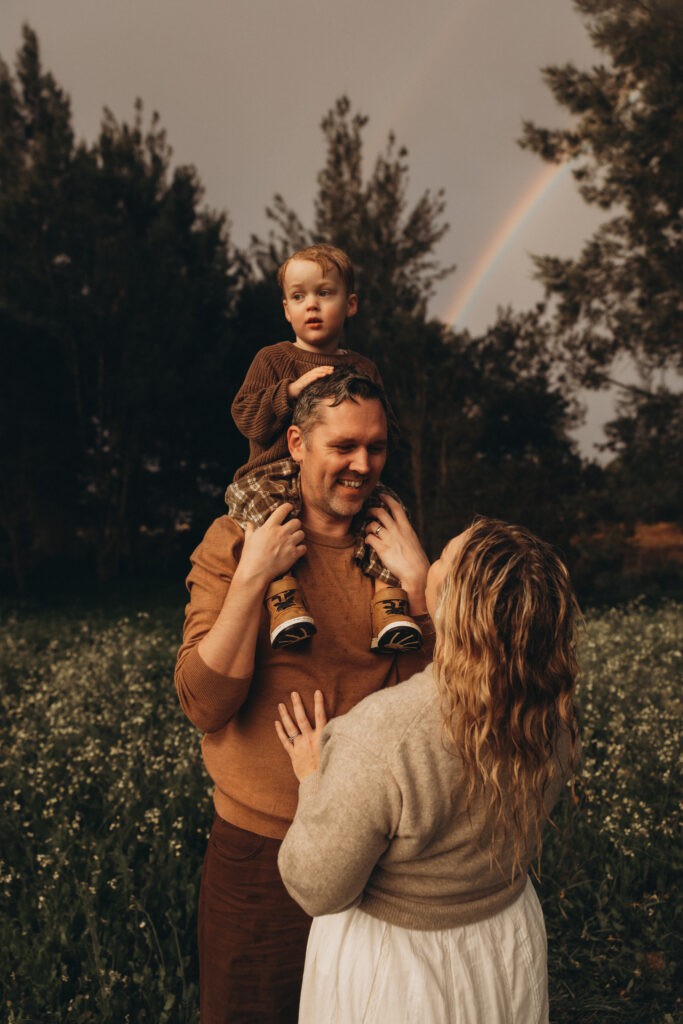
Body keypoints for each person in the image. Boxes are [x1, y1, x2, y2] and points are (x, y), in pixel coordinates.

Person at [174, 369, 434, 1024]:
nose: (361, 465)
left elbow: (448, 705)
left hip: (380, 860)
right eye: (342, 447)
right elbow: (204, 705)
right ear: (295, 443)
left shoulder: (397, 553)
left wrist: (426, 588)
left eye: (375, 448)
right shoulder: (232, 541)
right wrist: (253, 577)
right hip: (260, 853)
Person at [276, 517, 581, 1024]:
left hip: (401, 970)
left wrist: (314, 776)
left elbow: (317, 887)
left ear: (457, 607)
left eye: (441, 557)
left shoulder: (381, 736)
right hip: (506, 939)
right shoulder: (552, 718)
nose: (428, 561)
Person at [227, 243, 421, 653]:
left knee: (388, 517)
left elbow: (386, 427)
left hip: (343, 482)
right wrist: (290, 393)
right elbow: (246, 417)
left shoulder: (364, 368)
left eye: (324, 293)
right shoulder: (274, 359)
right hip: (275, 473)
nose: (310, 305)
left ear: (350, 304)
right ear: (285, 309)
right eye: (299, 297)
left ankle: (390, 606)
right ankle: (284, 598)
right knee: (267, 520)